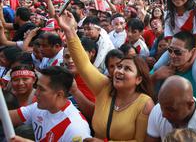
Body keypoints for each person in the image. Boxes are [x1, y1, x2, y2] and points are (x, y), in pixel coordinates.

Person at [56, 12, 154, 141]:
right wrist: (69, 31)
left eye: (127, 68)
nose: (119, 71)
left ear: (138, 79)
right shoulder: (104, 87)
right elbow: (84, 64)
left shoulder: (145, 104)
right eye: (119, 66)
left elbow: (140, 141)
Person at [153, 0, 196, 103]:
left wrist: (189, 61)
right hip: (176, 48)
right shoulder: (169, 13)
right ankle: (156, 98)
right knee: (157, 67)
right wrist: (172, 56)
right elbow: (168, 38)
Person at [151, 31, 196, 117]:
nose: (173, 55)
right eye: (170, 50)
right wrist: (154, 77)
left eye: (178, 52)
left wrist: (185, 110)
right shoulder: (161, 69)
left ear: (192, 52)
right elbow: (140, 93)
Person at [8, 66, 91, 141]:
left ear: (59, 94)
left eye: (42, 89)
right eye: (37, 87)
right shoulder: (38, 107)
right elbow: (8, 117)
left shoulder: (75, 128)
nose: (36, 93)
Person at [145, 75, 196, 142]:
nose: (163, 114)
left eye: (171, 109)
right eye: (161, 106)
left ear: (190, 104)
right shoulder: (158, 109)